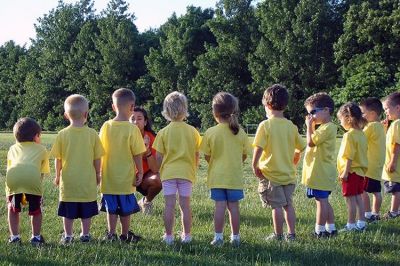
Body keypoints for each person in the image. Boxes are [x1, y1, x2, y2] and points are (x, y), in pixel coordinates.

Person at [252, 84, 306, 241]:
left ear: (267, 105)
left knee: (276, 206)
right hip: (288, 175)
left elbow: (258, 148)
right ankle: (292, 234)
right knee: (288, 205)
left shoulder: (265, 125)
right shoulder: (291, 126)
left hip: (271, 174)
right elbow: (301, 147)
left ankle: (278, 235)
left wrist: (254, 165)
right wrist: (295, 156)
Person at [51, 94, 104, 244]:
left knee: (68, 211)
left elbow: (58, 159)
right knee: (86, 211)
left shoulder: (62, 134)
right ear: (86, 114)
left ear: (66, 115)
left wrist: (57, 176)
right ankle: (85, 234)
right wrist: (98, 174)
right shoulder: (92, 134)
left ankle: (68, 235)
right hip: (87, 180)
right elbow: (97, 158)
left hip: (68, 181)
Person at [200, 92, 249, 247]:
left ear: (214, 112)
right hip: (234, 176)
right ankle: (235, 238)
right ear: (234, 110)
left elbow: (207, 156)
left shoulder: (210, 132)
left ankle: (218, 238)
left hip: (217, 176)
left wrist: (215, 163)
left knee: (219, 207)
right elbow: (244, 155)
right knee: (233, 207)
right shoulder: (240, 131)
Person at [153, 91, 201, 245]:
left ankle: (168, 236)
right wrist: (194, 167)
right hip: (186, 173)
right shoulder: (193, 131)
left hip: (168, 174)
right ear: (185, 109)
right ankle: (186, 236)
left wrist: (157, 170)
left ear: (166, 111)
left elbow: (159, 157)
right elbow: (196, 154)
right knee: (185, 206)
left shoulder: (163, 132)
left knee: (169, 205)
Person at [99, 88, 146, 243]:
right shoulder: (132, 129)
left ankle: (111, 233)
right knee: (126, 210)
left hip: (108, 176)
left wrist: (99, 171)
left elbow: (99, 151)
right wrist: (139, 171)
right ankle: (124, 234)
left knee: (111, 208)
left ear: (113, 107)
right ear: (132, 107)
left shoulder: (106, 126)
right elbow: (137, 153)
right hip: (126, 177)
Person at [6, 117, 50, 246]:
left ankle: (14, 237)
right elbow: (42, 173)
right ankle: (36, 238)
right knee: (36, 210)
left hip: (13, 178)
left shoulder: (12, 148)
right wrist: (37, 189)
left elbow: (9, 167)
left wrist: (9, 189)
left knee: (13, 209)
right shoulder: (41, 149)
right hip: (32, 179)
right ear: (36, 136)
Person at [302, 93, 338, 238]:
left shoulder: (327, 127)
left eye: (312, 112)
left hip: (321, 171)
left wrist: (308, 127)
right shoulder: (324, 127)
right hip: (320, 171)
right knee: (323, 201)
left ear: (326, 110)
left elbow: (310, 142)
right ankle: (331, 228)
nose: (310, 116)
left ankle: (319, 230)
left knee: (321, 202)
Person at [337, 102, 368, 232]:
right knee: (358, 197)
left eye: (340, 119)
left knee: (350, 199)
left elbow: (349, 156)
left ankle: (350, 224)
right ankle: (361, 223)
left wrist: (345, 172)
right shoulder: (361, 134)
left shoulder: (349, 135)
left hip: (351, 171)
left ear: (348, 118)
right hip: (360, 171)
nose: (340, 123)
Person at [130, 107, 162, 215]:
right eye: (132, 118)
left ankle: (145, 202)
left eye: (139, 119)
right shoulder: (123, 135)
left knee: (158, 180)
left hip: (144, 176)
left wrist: (147, 150)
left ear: (145, 122)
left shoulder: (152, 138)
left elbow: (155, 169)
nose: (135, 122)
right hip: (126, 174)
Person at [359, 97, 385, 222]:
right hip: (377, 165)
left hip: (368, 165)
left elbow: (360, 138)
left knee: (362, 190)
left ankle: (368, 214)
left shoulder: (370, 127)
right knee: (376, 191)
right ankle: (376, 213)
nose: (361, 115)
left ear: (373, 114)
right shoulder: (380, 126)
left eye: (363, 113)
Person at [381, 92, 400, 219]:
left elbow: (396, 144)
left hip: (395, 164)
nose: (386, 112)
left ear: (398, 108)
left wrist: (392, 161)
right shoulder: (394, 124)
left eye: (387, 109)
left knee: (395, 189)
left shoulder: (397, 123)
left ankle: (393, 212)